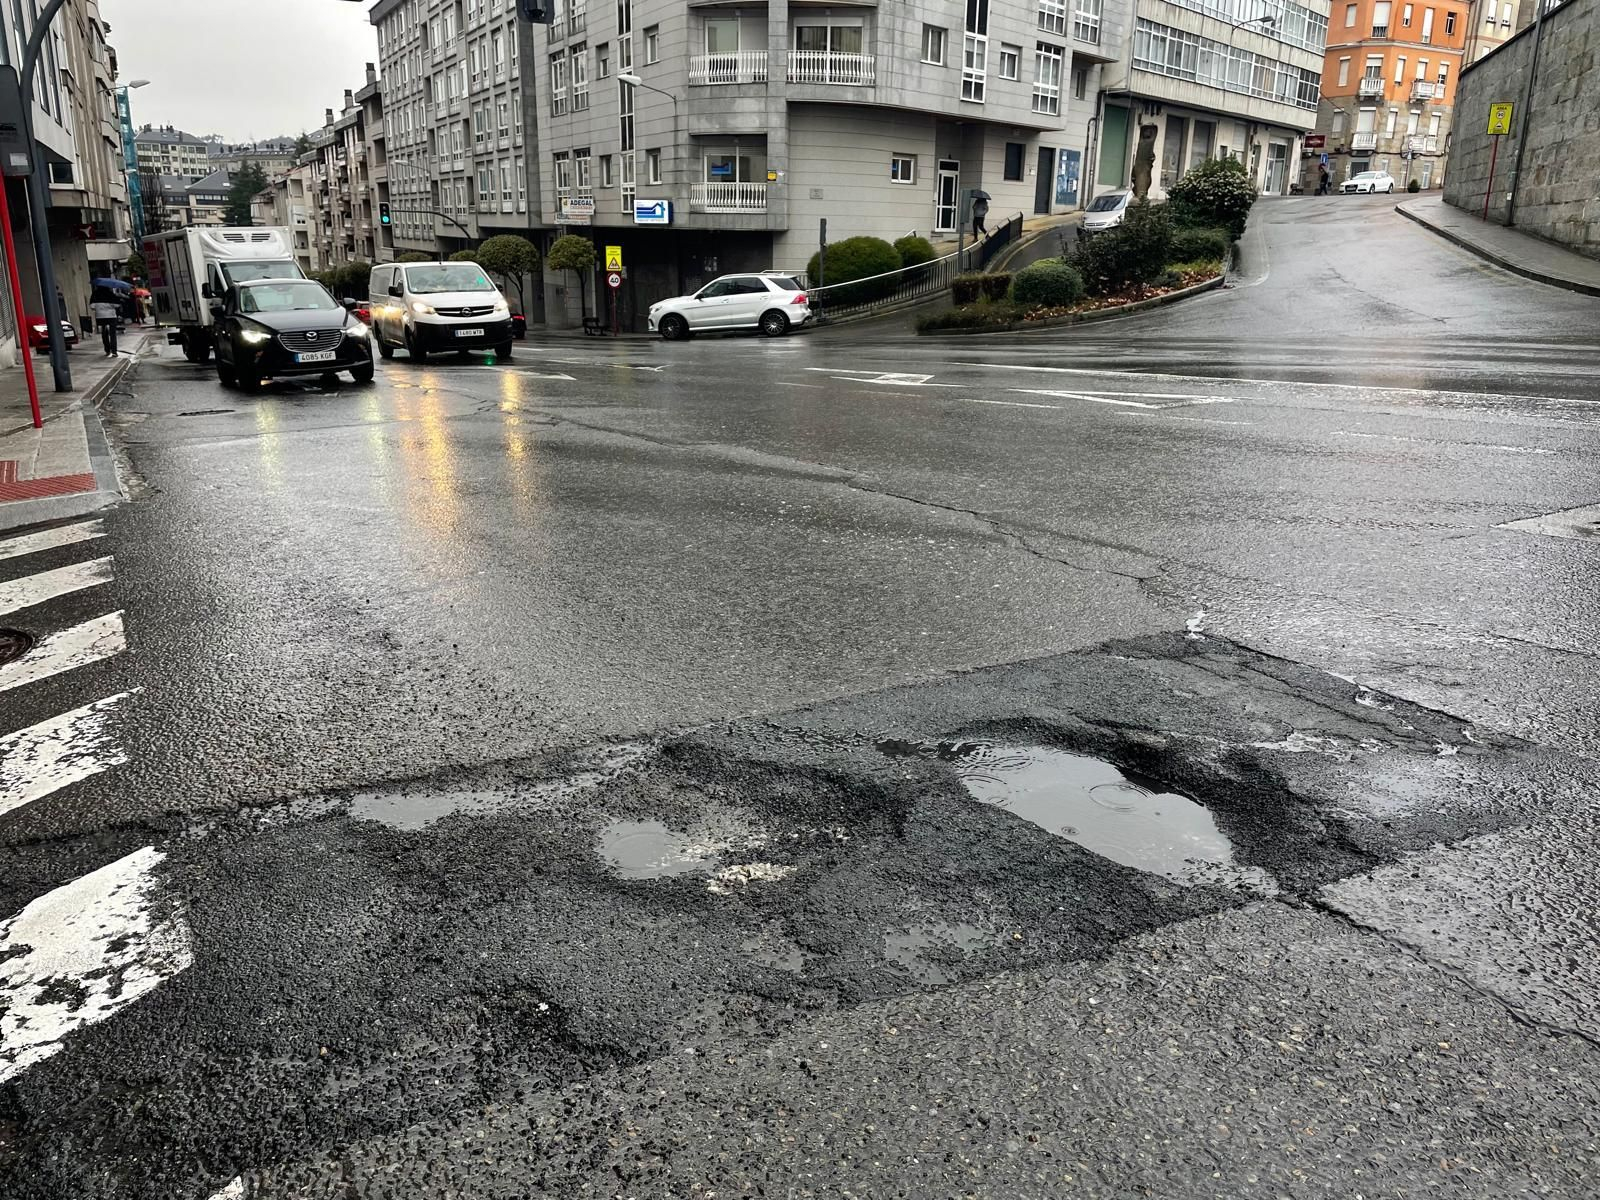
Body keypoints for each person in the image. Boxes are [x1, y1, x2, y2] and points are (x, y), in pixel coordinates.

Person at [90, 287, 121, 358]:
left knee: (104, 333)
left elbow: (92, 306)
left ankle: (107, 350)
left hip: (100, 316)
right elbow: (117, 305)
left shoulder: (95, 294)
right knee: (112, 333)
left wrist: (99, 307)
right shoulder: (111, 294)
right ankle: (114, 351)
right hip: (111, 316)